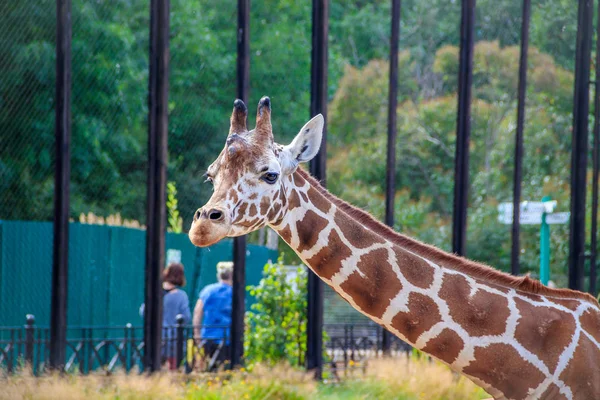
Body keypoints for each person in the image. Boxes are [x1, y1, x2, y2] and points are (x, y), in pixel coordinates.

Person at [193, 261, 233, 369]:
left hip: (208, 336)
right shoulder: (235, 292)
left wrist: (197, 334)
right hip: (229, 338)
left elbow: (198, 311)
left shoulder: (208, 291)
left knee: (209, 367)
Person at [161, 262, 191, 370]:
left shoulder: (156, 292)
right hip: (173, 339)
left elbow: (144, 311)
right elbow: (186, 317)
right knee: (173, 370)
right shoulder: (181, 296)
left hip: (157, 338)